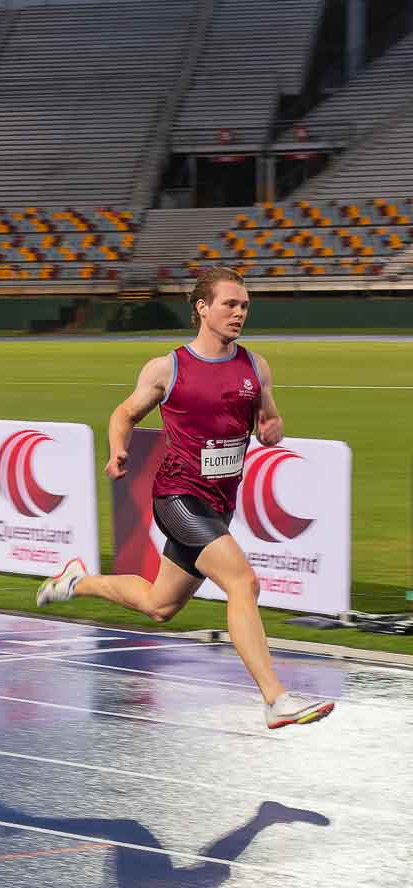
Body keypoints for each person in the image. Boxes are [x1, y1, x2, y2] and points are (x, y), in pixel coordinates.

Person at [35, 266, 334, 730]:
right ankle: (276, 699)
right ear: (201, 308)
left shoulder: (256, 366)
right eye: (229, 304)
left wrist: (272, 431)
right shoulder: (166, 368)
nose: (239, 313)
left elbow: (269, 424)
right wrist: (117, 448)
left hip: (219, 503)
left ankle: (75, 581)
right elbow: (125, 412)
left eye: (245, 306)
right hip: (178, 497)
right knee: (243, 583)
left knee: (160, 605)